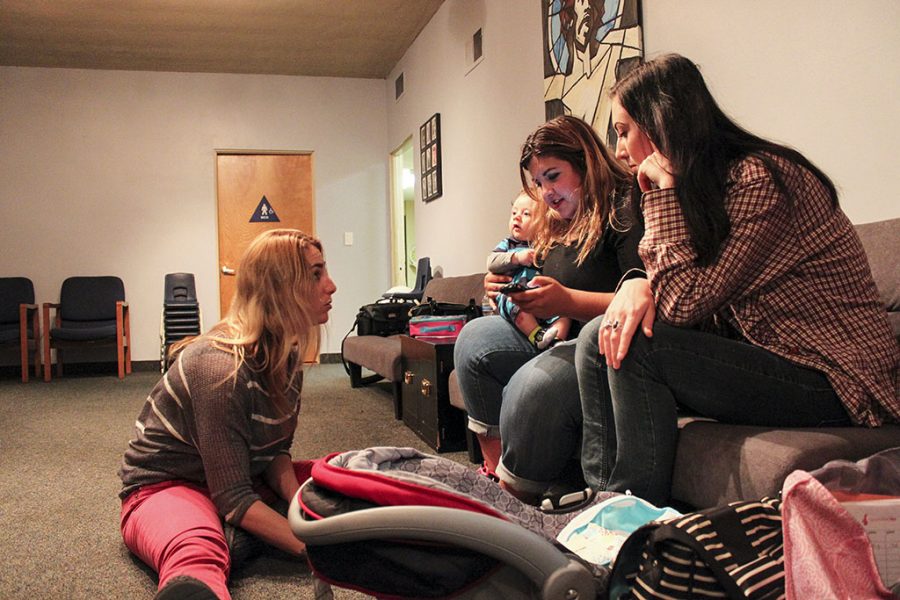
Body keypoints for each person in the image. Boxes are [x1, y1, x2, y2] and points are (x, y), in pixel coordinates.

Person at [577, 53, 900, 506]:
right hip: (776, 355)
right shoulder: (705, 186)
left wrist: (664, 200)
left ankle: (634, 519)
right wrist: (637, 282)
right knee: (599, 336)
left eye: (624, 130)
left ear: (662, 123)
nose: (620, 149)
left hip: (835, 376)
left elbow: (682, 304)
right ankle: (603, 503)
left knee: (639, 345)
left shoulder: (761, 179)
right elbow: (691, 296)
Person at [118, 229, 337, 600]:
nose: (330, 286)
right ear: (280, 287)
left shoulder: (288, 356)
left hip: (241, 475)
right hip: (167, 486)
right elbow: (233, 497)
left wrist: (298, 502)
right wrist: (317, 548)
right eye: (315, 274)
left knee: (342, 477)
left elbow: (274, 453)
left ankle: (241, 534)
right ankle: (216, 552)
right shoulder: (217, 368)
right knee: (196, 547)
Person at [454, 114, 647, 503]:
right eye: (539, 183)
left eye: (554, 176)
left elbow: (640, 298)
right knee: (474, 338)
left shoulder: (623, 207)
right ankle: (495, 478)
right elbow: (541, 274)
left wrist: (566, 302)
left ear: (586, 162)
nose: (546, 193)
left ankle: (514, 499)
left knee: (534, 386)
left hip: (598, 345)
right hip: (553, 334)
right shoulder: (560, 220)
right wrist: (505, 288)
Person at [489, 190, 572, 350]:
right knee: (516, 306)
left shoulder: (545, 245)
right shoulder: (509, 244)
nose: (516, 217)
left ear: (542, 222)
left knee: (565, 314)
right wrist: (516, 258)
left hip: (542, 297)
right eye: (514, 212)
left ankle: (556, 343)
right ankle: (537, 336)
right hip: (515, 295)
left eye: (526, 214)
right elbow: (491, 261)